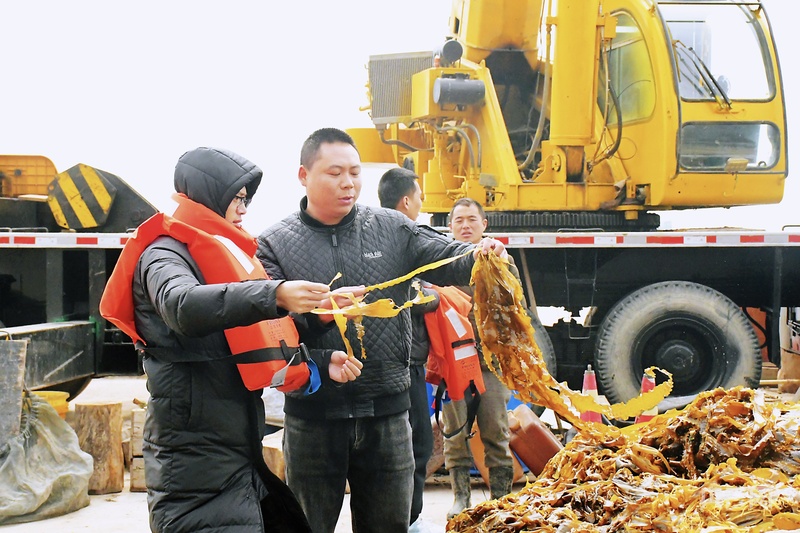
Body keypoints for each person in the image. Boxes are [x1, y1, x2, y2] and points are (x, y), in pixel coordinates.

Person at [256, 128, 508, 533]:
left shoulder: (392, 227)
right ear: (303, 175)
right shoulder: (274, 243)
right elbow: (270, 334)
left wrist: (481, 254)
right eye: (334, 172)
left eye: (355, 172)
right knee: (306, 526)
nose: (348, 183)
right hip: (314, 420)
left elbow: (446, 256)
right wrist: (321, 314)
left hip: (388, 417)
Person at [99, 147, 363, 533]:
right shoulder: (164, 253)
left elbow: (243, 337)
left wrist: (321, 322)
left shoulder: (222, 254)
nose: (243, 208)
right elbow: (182, 306)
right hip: (192, 456)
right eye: (237, 197)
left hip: (234, 447)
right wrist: (274, 293)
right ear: (210, 194)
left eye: (246, 199)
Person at [443, 197, 516, 519]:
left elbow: (513, 299)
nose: (465, 225)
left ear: (483, 225)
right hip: (454, 365)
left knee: (496, 434)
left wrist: (503, 259)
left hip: (491, 366)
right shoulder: (440, 263)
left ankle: (501, 499)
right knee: (455, 436)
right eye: (459, 220)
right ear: (450, 227)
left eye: (472, 219)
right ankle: (461, 498)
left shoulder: (498, 259)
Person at [377, 167, 440, 533]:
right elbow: (411, 296)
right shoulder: (404, 240)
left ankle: (407, 519)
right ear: (405, 200)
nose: (421, 204)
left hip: (402, 362)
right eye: (419, 197)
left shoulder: (375, 233)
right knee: (416, 445)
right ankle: (411, 522)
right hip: (405, 364)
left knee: (411, 446)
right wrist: (435, 296)